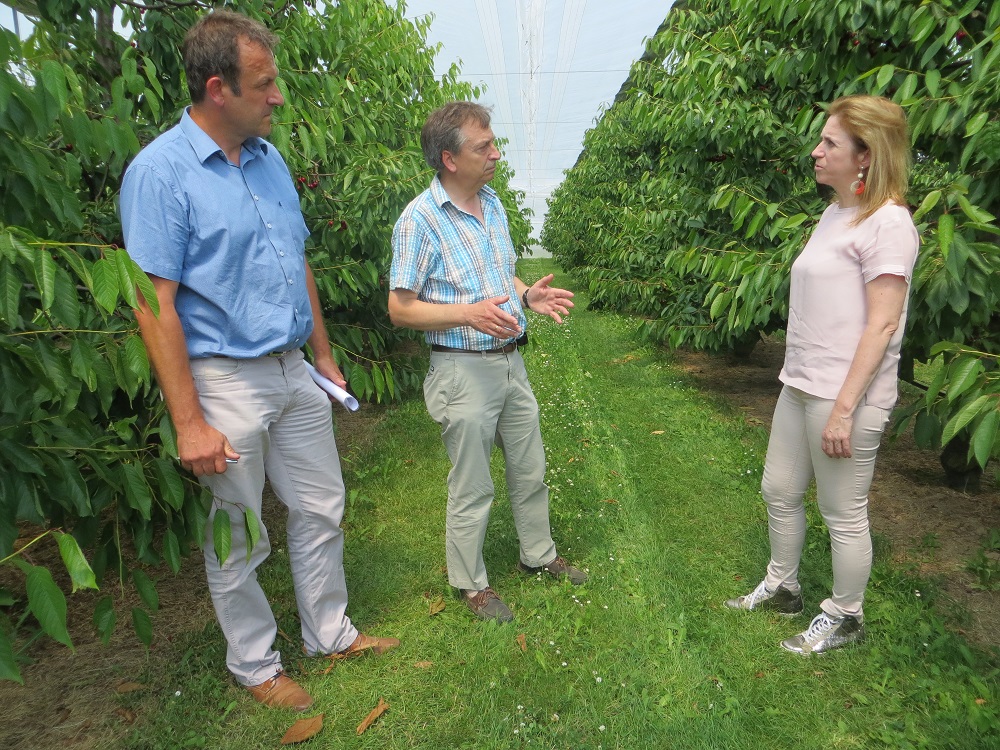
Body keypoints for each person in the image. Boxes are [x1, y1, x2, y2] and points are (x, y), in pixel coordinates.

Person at [120, 10, 398, 711]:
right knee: (238, 532)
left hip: (293, 369)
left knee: (320, 507)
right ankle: (254, 665)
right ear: (219, 88)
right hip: (224, 378)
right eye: (265, 83)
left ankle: (329, 632)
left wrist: (325, 354)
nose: (278, 97)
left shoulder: (270, 161)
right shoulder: (161, 172)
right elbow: (153, 303)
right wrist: (189, 422)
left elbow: (295, 256)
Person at [725, 95, 919, 654]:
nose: (816, 151)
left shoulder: (889, 224)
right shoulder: (836, 214)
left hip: (846, 397)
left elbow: (882, 326)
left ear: (866, 156)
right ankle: (783, 582)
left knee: (843, 512)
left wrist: (844, 409)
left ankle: (845, 616)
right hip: (801, 383)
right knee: (779, 489)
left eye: (829, 143)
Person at [388, 101, 586, 623]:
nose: (497, 153)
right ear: (450, 158)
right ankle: (472, 583)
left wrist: (524, 296)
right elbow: (399, 308)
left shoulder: (492, 204)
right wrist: (466, 315)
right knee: (472, 483)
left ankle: (538, 555)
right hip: (461, 370)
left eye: (494, 142)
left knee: (530, 469)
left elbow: (501, 276)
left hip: (509, 364)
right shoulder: (420, 220)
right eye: (485, 146)